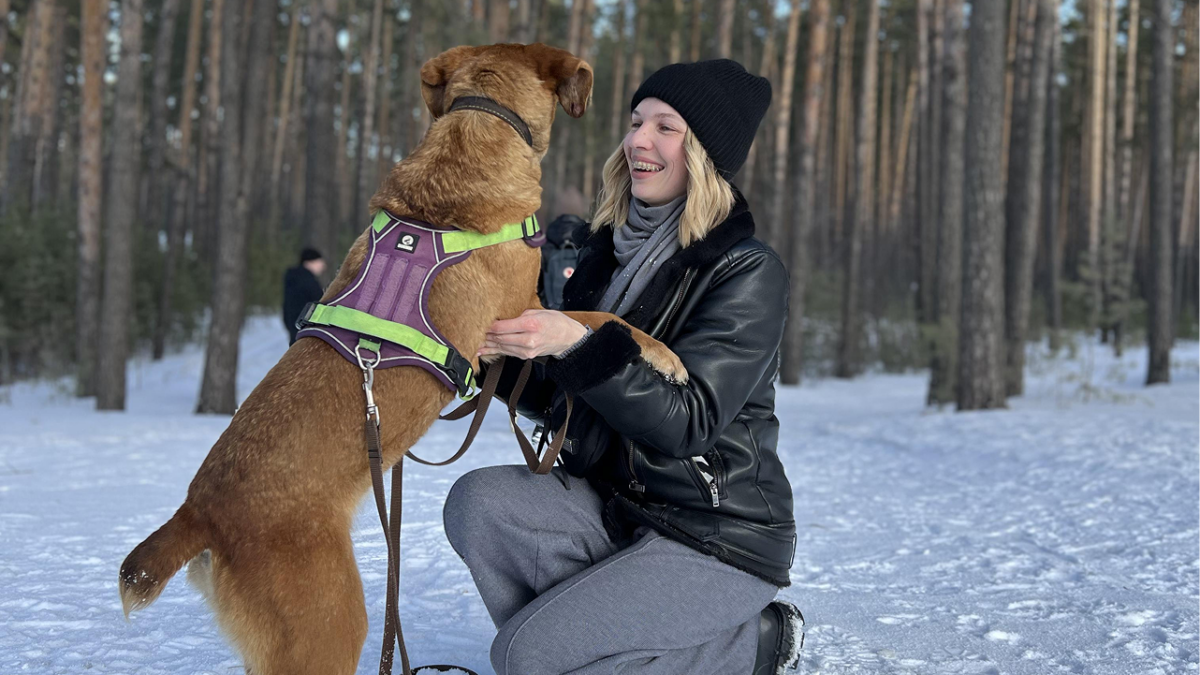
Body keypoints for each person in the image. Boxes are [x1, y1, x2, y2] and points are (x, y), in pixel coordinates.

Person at [443, 60, 801, 675]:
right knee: (478, 502)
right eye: (637, 123)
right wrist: (491, 360)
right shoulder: (604, 253)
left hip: (712, 536)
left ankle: (753, 644)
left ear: (706, 153)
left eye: (667, 127)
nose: (639, 140)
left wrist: (577, 343)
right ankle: (576, 653)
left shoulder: (743, 270)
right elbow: (569, 398)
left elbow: (689, 423)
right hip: (615, 508)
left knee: (523, 654)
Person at [282, 248, 325, 344]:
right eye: (319, 262)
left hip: (296, 331)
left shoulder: (293, 279)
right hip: (307, 332)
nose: (322, 266)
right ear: (309, 262)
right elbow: (321, 303)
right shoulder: (308, 281)